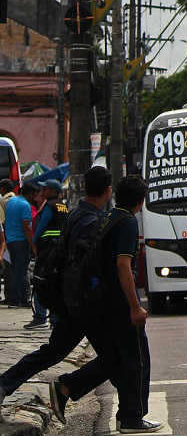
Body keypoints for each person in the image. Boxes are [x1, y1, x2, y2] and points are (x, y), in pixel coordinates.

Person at [0, 169, 123, 412]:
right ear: (108, 191)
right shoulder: (90, 220)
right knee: (115, 357)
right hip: (84, 303)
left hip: (71, 299)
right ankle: (70, 388)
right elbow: (86, 266)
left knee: (54, 352)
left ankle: (7, 383)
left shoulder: (76, 213)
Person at [48, 173, 159, 434]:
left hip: (101, 302)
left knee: (116, 359)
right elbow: (123, 266)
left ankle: (69, 388)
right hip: (119, 303)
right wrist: (135, 306)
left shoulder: (108, 217)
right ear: (140, 201)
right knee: (135, 360)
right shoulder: (127, 222)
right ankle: (131, 419)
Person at [26, 181, 68, 329]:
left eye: (46, 188)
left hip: (47, 249)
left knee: (40, 280)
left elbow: (41, 226)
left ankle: (40, 316)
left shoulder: (49, 206)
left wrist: (34, 243)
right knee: (56, 284)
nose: (43, 190)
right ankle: (55, 319)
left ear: (53, 191)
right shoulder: (63, 206)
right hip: (60, 250)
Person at [4, 182, 36, 307]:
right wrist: (33, 245)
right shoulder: (25, 205)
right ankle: (18, 299)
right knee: (21, 271)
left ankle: (17, 298)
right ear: (30, 194)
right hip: (21, 241)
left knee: (16, 270)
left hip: (11, 240)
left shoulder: (11, 201)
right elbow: (26, 227)